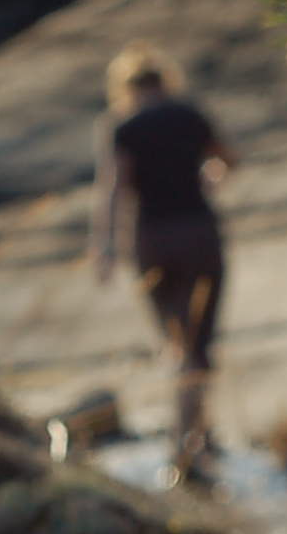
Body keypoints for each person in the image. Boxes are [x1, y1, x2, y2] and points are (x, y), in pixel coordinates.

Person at [90, 44, 236, 486]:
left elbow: (113, 188)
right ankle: (191, 442)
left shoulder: (124, 126)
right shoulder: (190, 116)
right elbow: (228, 160)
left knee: (175, 342)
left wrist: (105, 248)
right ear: (165, 80)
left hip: (151, 240)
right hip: (198, 233)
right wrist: (209, 178)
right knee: (198, 342)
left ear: (127, 87)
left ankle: (192, 439)